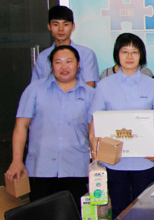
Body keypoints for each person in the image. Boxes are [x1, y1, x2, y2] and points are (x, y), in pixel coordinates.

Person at [5, 45, 94, 206]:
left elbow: (93, 133)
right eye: (58, 62)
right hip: (40, 169)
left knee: (74, 217)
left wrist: (97, 164)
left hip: (76, 169)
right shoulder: (34, 90)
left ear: (78, 64)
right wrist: (16, 160)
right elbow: (21, 126)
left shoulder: (90, 94)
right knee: (41, 217)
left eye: (69, 61)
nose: (64, 67)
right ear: (51, 65)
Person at [89, 33, 154, 216]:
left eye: (134, 52)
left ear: (141, 55)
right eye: (124, 51)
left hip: (145, 162)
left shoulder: (153, 85)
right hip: (114, 163)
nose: (129, 57)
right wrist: (94, 149)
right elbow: (95, 122)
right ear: (117, 54)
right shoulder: (104, 85)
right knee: (120, 213)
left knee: (146, 213)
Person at [31, 5, 99, 87]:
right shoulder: (43, 57)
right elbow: (35, 87)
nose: (61, 29)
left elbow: (89, 86)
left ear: (73, 26)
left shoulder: (86, 54)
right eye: (56, 24)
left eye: (65, 24)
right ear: (49, 26)